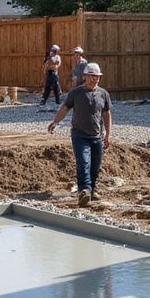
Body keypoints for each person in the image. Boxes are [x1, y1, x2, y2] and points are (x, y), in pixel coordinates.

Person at [47, 63, 112, 208]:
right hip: (79, 136)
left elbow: (106, 114)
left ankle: (92, 189)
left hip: (97, 136)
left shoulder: (103, 94)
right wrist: (55, 121)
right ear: (85, 77)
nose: (95, 79)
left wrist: (108, 134)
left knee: (95, 166)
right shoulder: (76, 93)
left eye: (97, 77)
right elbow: (65, 108)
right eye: (92, 76)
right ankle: (84, 191)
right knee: (84, 163)